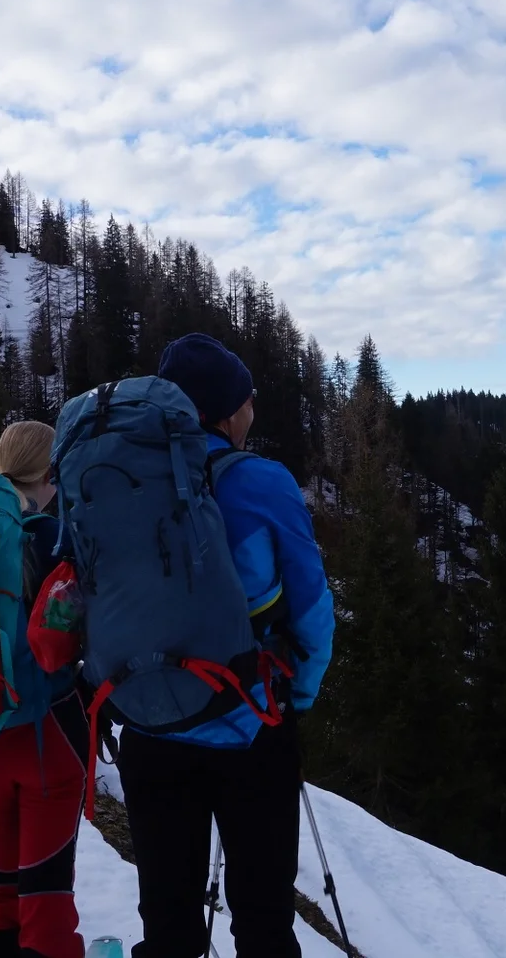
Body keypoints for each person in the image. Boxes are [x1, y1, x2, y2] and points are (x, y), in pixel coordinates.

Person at [117, 334, 336, 958]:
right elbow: (314, 609)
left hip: (148, 721)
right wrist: (300, 694)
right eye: (248, 401)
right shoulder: (263, 482)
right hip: (249, 724)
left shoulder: (118, 476)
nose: (253, 412)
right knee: (264, 918)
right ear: (224, 411)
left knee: (167, 918)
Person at [0, 420, 88, 958]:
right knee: (47, 907)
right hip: (44, 736)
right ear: (51, 473)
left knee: (0, 896)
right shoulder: (54, 538)